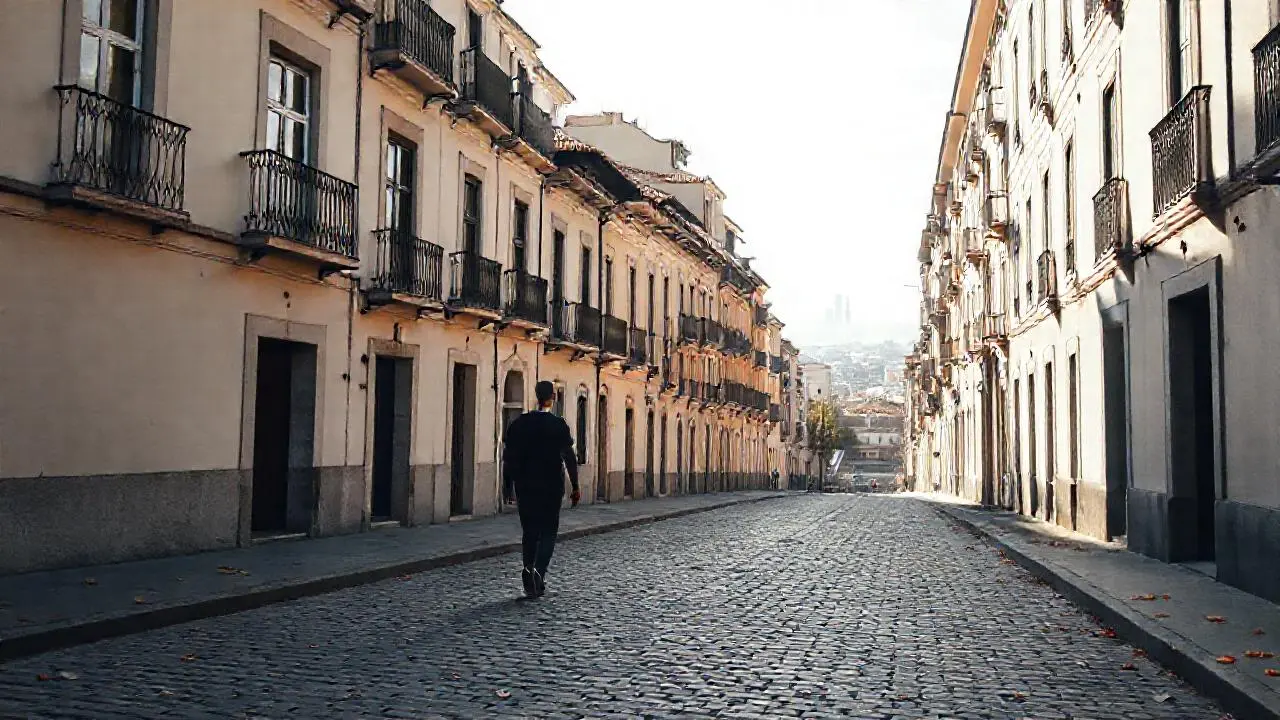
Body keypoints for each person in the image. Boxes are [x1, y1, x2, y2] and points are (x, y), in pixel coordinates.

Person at [502, 380, 580, 599]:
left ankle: (528, 569)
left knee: (529, 532)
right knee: (548, 532)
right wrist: (575, 486)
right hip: (551, 486)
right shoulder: (558, 425)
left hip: (525, 487)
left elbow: (509, 459)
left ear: (536, 396)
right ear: (552, 397)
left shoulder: (519, 424)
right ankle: (539, 572)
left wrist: (507, 487)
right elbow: (569, 457)